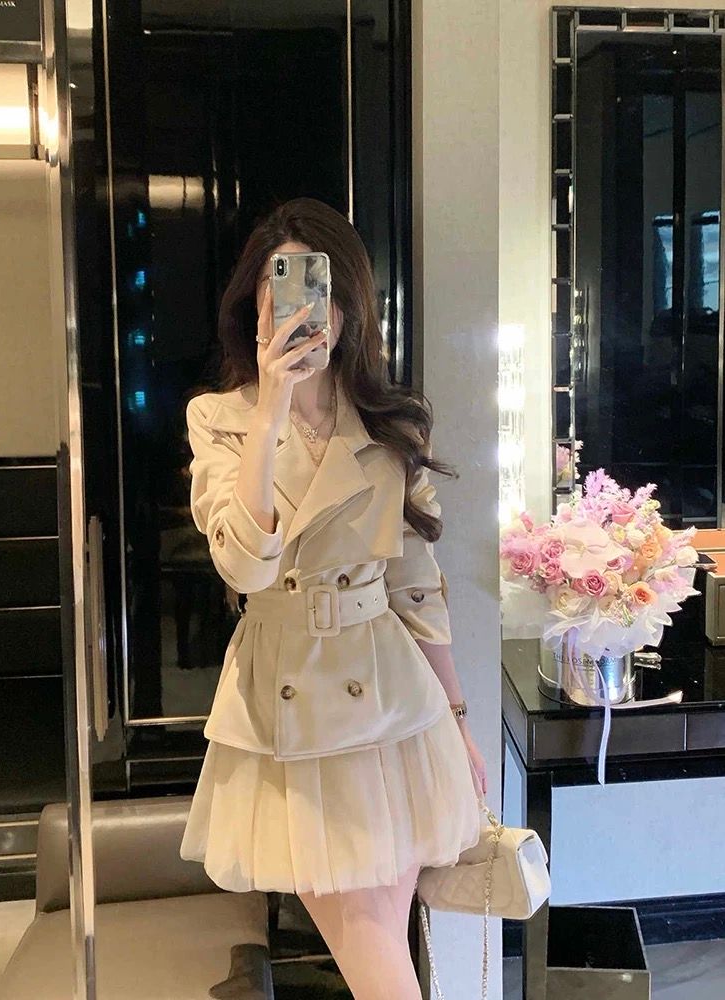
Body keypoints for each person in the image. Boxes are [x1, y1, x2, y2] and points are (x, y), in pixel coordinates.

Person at [179, 197, 488, 999]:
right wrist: (272, 409)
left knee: (379, 942)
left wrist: (458, 720)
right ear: (254, 307)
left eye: (316, 293)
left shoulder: (387, 425)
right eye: (276, 293)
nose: (297, 314)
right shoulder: (220, 419)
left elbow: (416, 587)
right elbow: (242, 566)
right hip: (287, 709)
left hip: (391, 706)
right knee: (367, 941)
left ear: (347, 309)